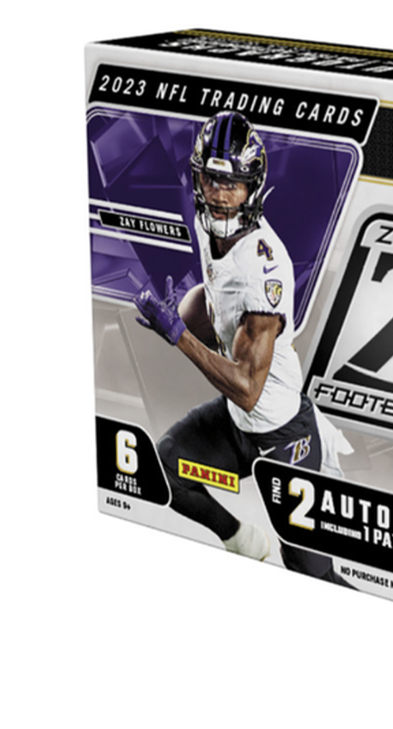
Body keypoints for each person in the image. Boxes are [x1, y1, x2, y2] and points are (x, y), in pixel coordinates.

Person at [135, 111, 351, 584]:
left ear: (252, 186)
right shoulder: (207, 224)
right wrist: (181, 313)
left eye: (232, 183)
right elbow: (215, 293)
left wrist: (178, 335)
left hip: (282, 434)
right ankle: (242, 541)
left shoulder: (264, 267)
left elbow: (249, 389)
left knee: (310, 572)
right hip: (237, 425)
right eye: (211, 179)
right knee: (163, 464)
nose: (219, 193)